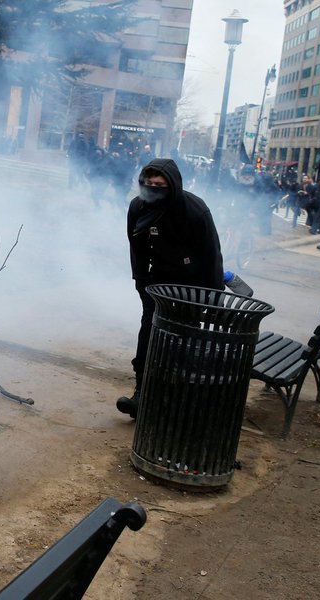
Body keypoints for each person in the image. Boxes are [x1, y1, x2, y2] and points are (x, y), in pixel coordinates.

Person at [116, 158, 224, 419]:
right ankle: (142, 393)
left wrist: (212, 299)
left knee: (185, 339)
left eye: (159, 185)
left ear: (172, 185)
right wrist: (141, 283)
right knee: (149, 333)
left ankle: (178, 398)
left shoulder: (195, 210)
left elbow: (212, 257)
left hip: (192, 283)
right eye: (148, 184)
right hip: (158, 281)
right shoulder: (138, 207)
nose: (152, 189)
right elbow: (137, 248)